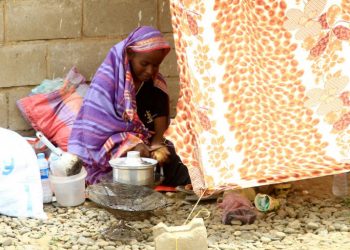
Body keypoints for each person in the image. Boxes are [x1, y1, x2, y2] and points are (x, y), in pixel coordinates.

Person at [68, 26, 190, 186]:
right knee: (125, 172)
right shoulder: (106, 83)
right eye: (145, 64)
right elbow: (94, 135)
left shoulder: (156, 85)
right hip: (108, 153)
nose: (150, 70)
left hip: (145, 152)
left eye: (156, 65)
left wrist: (156, 146)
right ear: (130, 54)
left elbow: (158, 137)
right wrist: (131, 145)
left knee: (181, 158)